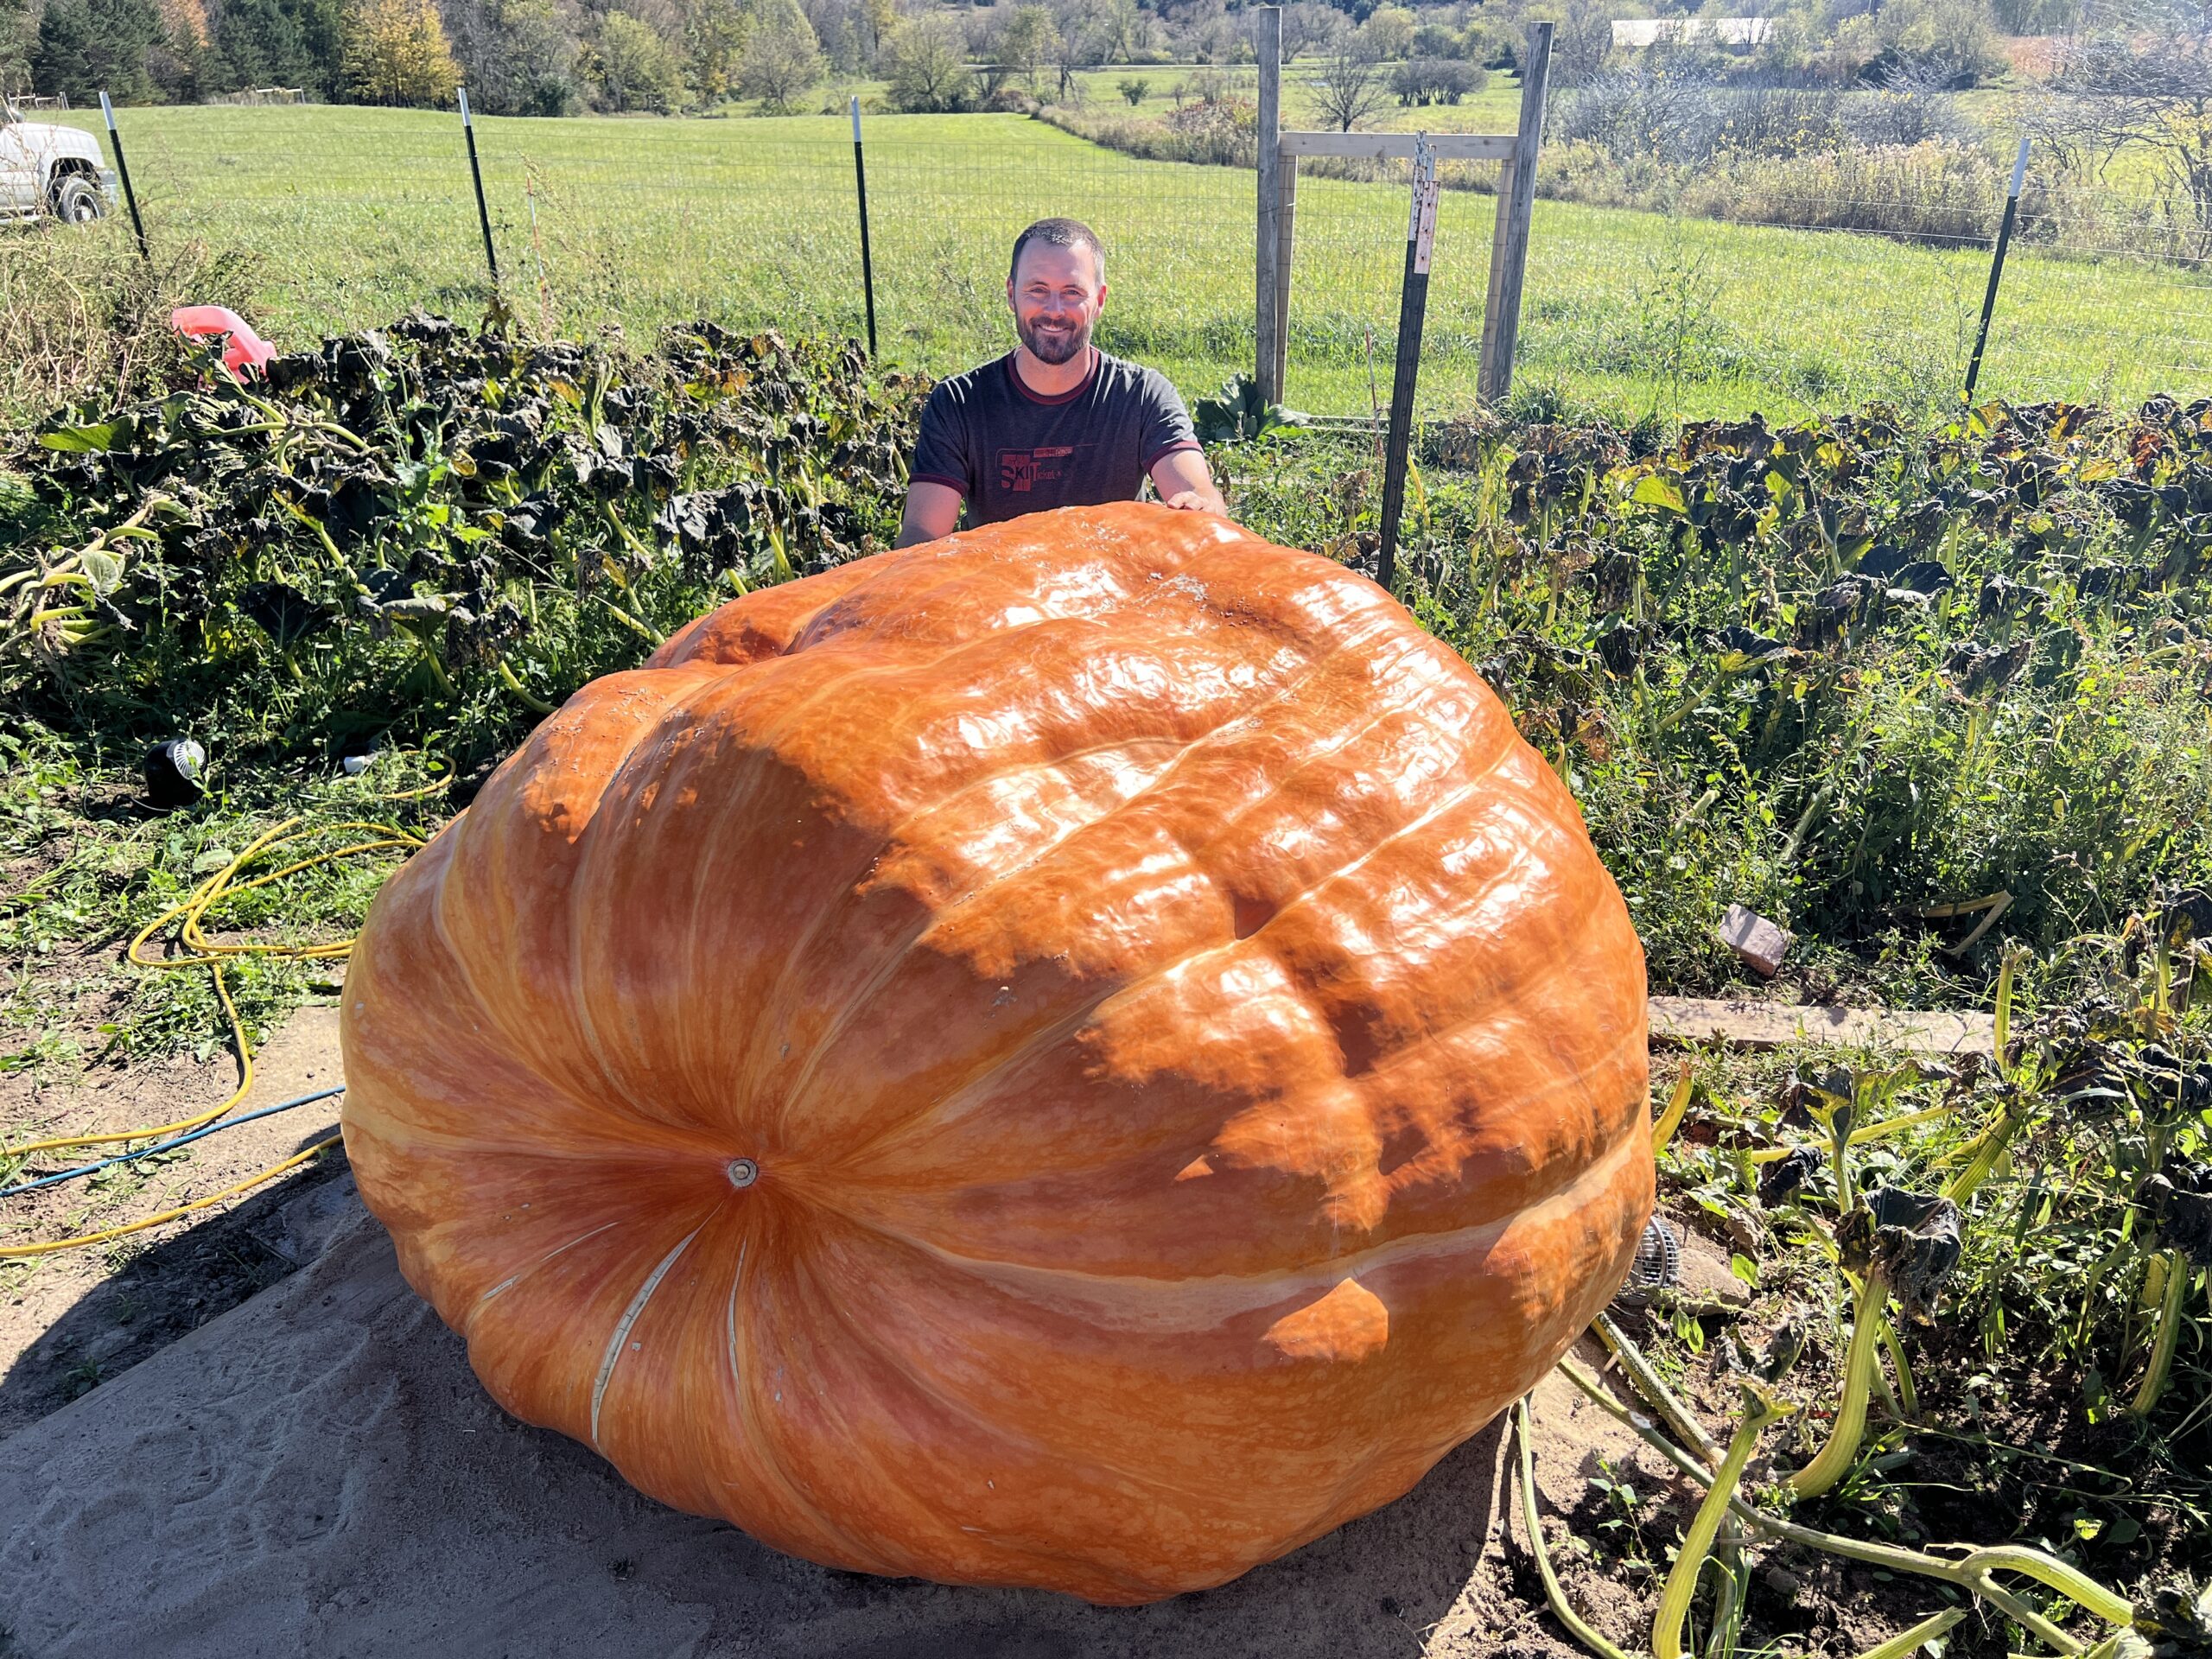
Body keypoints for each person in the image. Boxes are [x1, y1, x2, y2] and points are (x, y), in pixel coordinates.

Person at [896, 218, 1227, 547]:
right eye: (1037, 290)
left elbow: (1196, 492)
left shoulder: (1142, 394)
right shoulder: (958, 403)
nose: (1054, 311)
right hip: (1002, 591)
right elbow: (922, 536)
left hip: (1115, 586)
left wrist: (1199, 506)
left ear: (1099, 300)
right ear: (1012, 294)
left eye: (1072, 292)